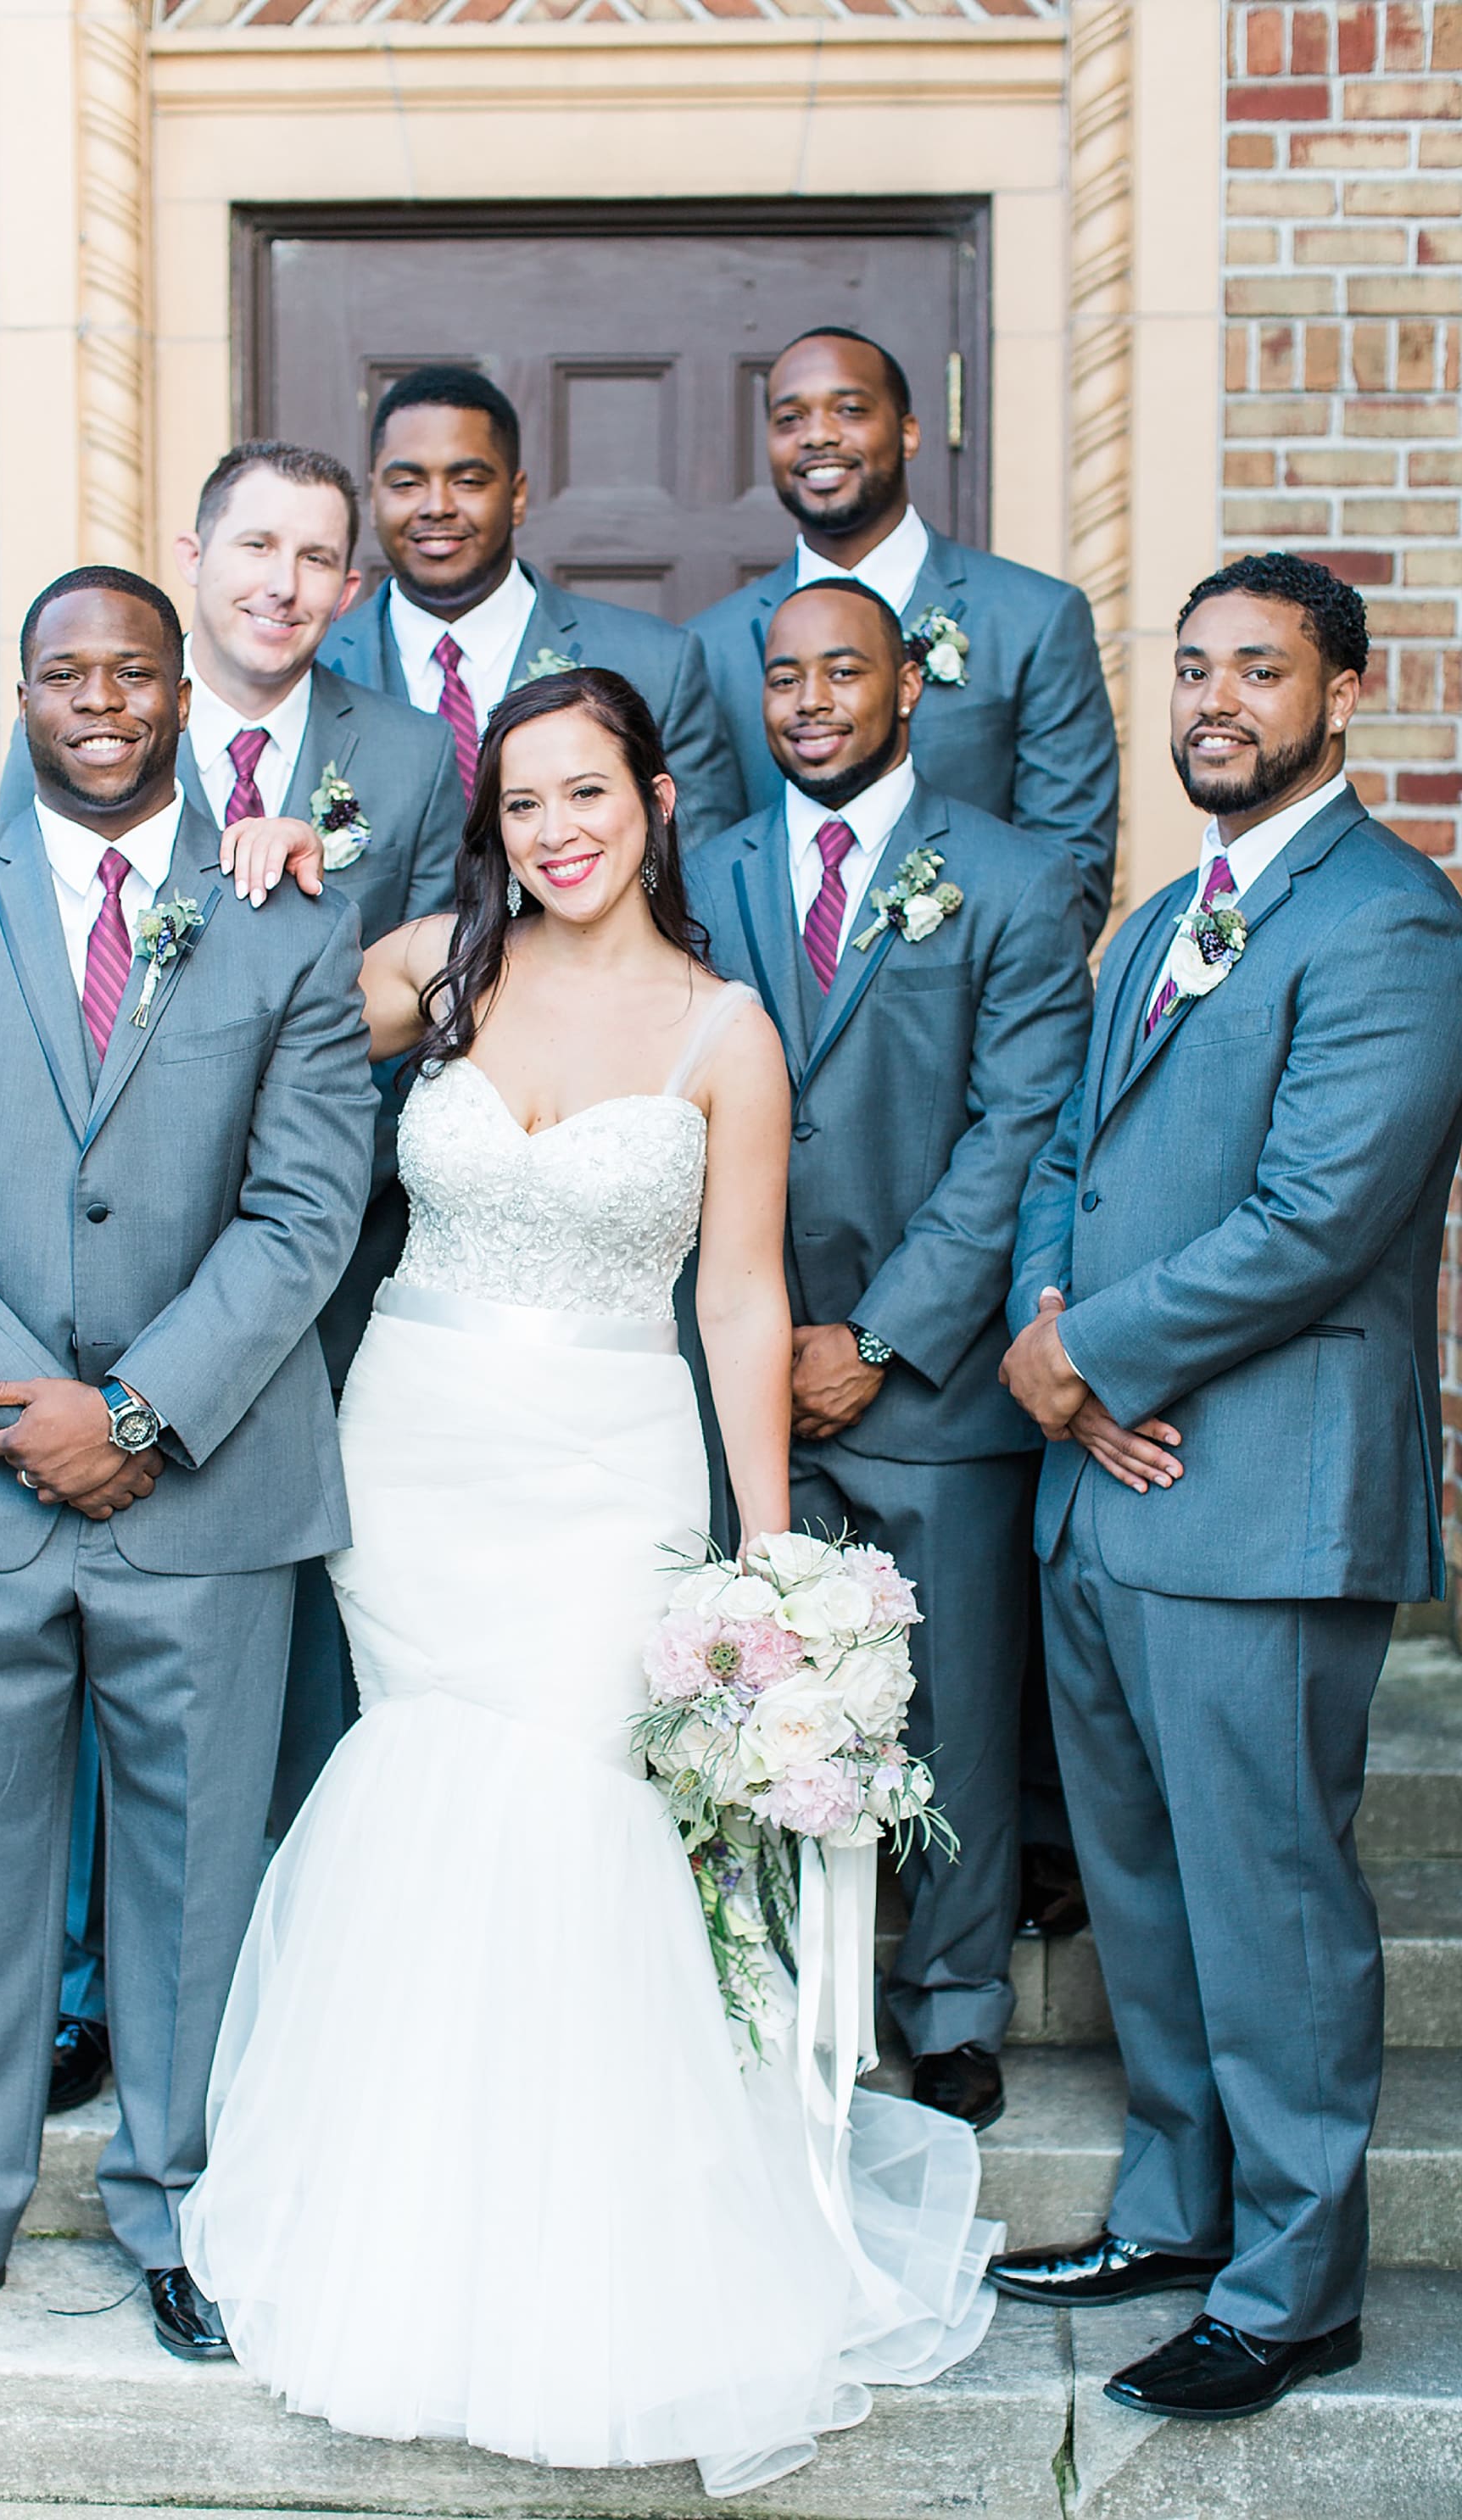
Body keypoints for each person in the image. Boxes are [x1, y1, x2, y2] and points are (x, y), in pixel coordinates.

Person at [178, 667, 1003, 2490]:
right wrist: (266, 857)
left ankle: (591, 2253)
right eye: (523, 804)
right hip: (416, 1455)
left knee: (572, 1810)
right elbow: (239, 1007)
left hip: (608, 1472)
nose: (556, 832)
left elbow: (738, 1298)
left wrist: (773, 1555)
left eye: (587, 794)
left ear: (650, 799)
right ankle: (410, 2220)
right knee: (433, 1800)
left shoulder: (724, 1034)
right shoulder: (435, 970)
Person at [0, 566, 376, 2368]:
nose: (98, 697)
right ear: (26, 689)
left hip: (205, 1494)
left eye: (130, 669)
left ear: (178, 694)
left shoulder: (287, 924)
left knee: (195, 1875)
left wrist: (134, 1413)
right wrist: (32, 1411)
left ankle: (181, 2208)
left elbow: (307, 1211)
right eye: (65, 670)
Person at [992, 553, 1462, 2419]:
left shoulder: (1389, 924)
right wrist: (1045, 1332)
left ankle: (1291, 2285)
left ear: (1342, 694)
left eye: (1256, 671)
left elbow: (1315, 1221)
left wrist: (1089, 1352)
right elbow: (1066, 1159)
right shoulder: (1155, 920)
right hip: (1104, 1485)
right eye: (1192, 669)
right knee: (1145, 1886)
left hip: (1261, 1499)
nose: (1213, 702)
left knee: (1264, 1897)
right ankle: (1179, 2201)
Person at [0, 442, 461, 2111]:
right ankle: (73, 1988)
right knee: (91, 1639)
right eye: (253, 542)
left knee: (271, 1650)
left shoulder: (405, 762)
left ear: (352, 586)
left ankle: (259, 1967)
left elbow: (432, 1007)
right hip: (103, 1294)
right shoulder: (95, 720)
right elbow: (31, 1001)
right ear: (194, 553)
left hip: (309, 1269)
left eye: (317, 555)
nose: (281, 577)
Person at [687, 580, 1091, 2136]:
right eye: (782, 676)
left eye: (841, 671)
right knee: (756, 1694)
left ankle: (958, 2002)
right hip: (736, 1364)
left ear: (909, 685)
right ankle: (776, 1982)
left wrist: (880, 1331)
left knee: (958, 1714)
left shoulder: (1012, 875)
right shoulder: (702, 877)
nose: (806, 701)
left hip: (928, 1376)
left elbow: (1019, 1131)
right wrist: (759, 1334)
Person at [689, 327, 1119, 947]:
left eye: (850, 410)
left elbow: (1068, 870)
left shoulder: (1034, 619)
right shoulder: (711, 647)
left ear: (910, 432)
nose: (817, 435)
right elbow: (705, 882)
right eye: (790, 418)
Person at [320, 365, 742, 847]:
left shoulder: (658, 665)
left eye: (468, 481)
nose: (436, 506)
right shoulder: (317, 666)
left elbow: (697, 872)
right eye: (407, 484)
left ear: (517, 495)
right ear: (373, 499)